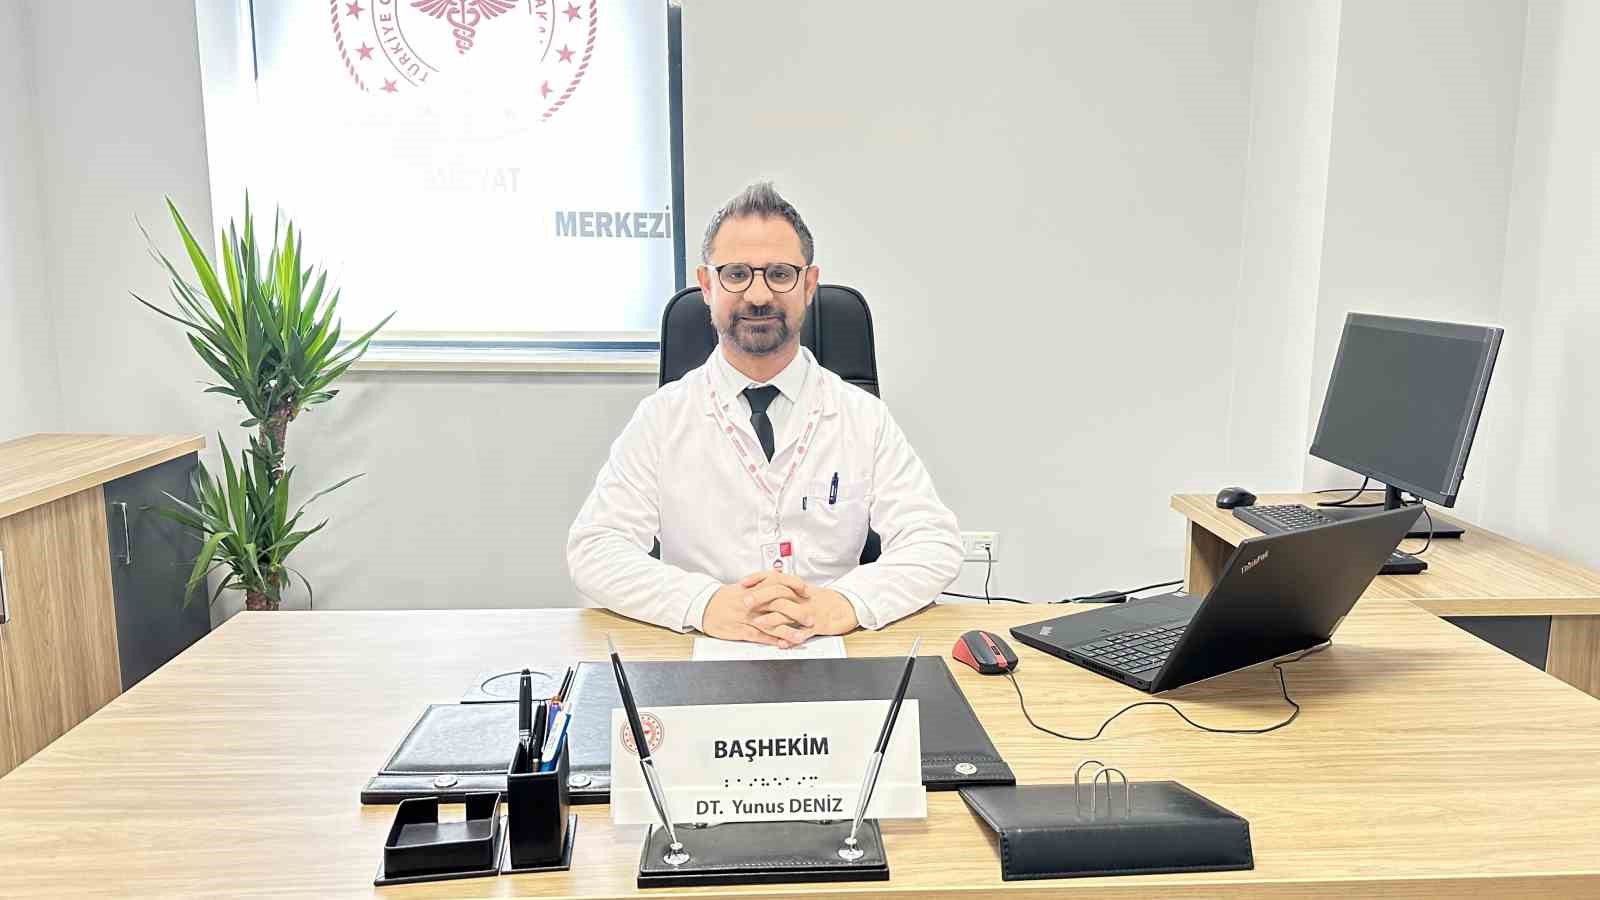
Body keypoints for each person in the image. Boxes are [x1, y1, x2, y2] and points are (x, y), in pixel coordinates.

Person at [567, 182, 961, 646]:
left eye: (779, 273)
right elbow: (594, 548)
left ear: (808, 285)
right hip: (702, 646)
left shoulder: (862, 418)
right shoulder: (662, 418)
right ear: (707, 285)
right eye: (736, 274)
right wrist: (703, 603)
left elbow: (933, 541)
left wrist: (846, 602)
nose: (758, 294)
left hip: (830, 647)